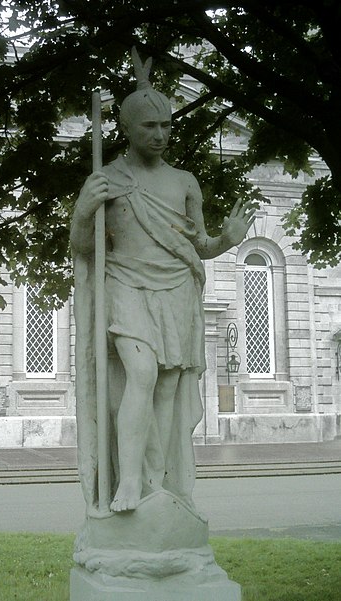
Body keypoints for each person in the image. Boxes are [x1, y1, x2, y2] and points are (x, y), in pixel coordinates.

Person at [71, 50, 254, 514]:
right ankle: (129, 481)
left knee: (169, 392)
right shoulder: (108, 179)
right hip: (126, 286)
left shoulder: (185, 182)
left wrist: (227, 241)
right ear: (127, 129)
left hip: (177, 289)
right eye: (149, 126)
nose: (160, 135)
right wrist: (83, 211)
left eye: (166, 126)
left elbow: (197, 245)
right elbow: (83, 248)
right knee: (141, 373)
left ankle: (163, 481)